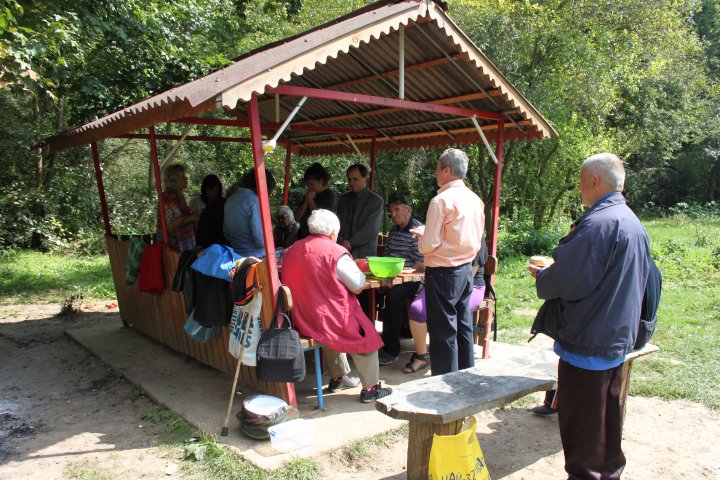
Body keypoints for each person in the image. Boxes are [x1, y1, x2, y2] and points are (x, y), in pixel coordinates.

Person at [527, 152, 651, 480]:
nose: (580, 189)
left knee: (583, 434)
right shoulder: (631, 221)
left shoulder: (598, 224)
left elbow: (568, 280)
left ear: (595, 181)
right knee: (606, 427)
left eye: (582, 183)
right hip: (614, 339)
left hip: (588, 343)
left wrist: (543, 275)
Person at [282, 209, 392, 403]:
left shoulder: (291, 250)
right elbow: (357, 286)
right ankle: (371, 389)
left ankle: (338, 378)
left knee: (328, 332)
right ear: (333, 232)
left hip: (302, 317)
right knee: (367, 336)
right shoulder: (335, 252)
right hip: (329, 316)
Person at [410, 148, 484, 376]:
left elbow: (429, 245)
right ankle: (465, 379)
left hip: (443, 272)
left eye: (437, 168)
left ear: (447, 170)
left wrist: (422, 237)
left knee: (443, 332)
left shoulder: (441, 201)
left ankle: (444, 383)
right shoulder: (475, 199)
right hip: (466, 271)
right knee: (463, 327)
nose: (435, 172)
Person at [403, 236, 489, 373]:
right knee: (416, 309)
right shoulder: (443, 236)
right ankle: (422, 356)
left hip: (471, 286)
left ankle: (456, 366)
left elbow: (469, 275)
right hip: (441, 282)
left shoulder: (474, 236)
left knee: (451, 314)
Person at [376, 192, 425, 366]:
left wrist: (397, 277)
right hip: (393, 276)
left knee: (394, 297)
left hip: (414, 280)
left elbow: (421, 267)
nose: (393, 214)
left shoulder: (417, 231)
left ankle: (391, 350)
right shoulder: (394, 231)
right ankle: (367, 341)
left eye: (397, 209)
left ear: (408, 210)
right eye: (391, 210)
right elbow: (387, 257)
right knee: (366, 293)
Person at [223, 168, 276, 258]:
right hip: (256, 257)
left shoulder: (230, 200)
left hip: (236, 256)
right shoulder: (253, 200)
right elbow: (261, 240)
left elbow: (226, 234)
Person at [336, 163, 384, 260]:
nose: (351, 182)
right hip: (343, 252)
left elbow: (371, 229)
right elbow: (336, 224)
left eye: (355, 179)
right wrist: (341, 241)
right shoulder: (344, 199)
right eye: (349, 179)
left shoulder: (375, 201)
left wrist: (349, 243)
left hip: (364, 254)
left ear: (365, 178)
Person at [158, 163, 200, 252]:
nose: (186, 179)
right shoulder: (169, 198)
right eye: (183, 177)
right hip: (174, 247)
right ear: (174, 181)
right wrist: (194, 217)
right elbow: (175, 221)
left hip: (182, 245)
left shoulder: (178, 196)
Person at [295, 162, 338, 238]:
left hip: (320, 238)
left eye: (312, 184)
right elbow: (297, 218)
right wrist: (306, 201)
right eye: (308, 184)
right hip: (303, 236)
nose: (309, 187)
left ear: (321, 181)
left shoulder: (330, 196)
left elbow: (321, 221)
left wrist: (311, 201)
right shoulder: (309, 194)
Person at [195, 174, 227, 248]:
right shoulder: (196, 201)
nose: (214, 192)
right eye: (210, 189)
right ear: (205, 189)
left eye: (216, 189)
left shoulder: (221, 203)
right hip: (202, 240)